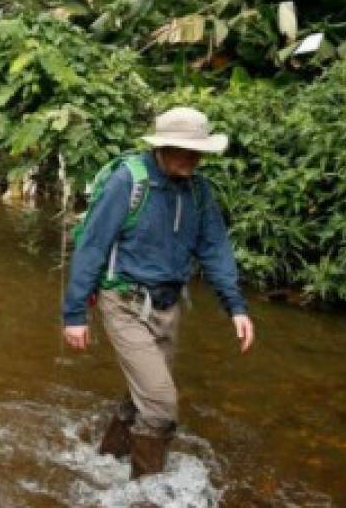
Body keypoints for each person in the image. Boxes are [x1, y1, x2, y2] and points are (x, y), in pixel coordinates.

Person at [61, 107, 256, 478]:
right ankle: (145, 495)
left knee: (144, 397)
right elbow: (92, 246)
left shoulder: (199, 192)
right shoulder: (128, 183)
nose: (193, 158)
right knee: (162, 406)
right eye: (184, 150)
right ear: (162, 147)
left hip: (168, 306)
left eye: (197, 151)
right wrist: (74, 315)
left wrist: (237, 308)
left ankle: (106, 462)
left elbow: (215, 248)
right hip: (124, 302)